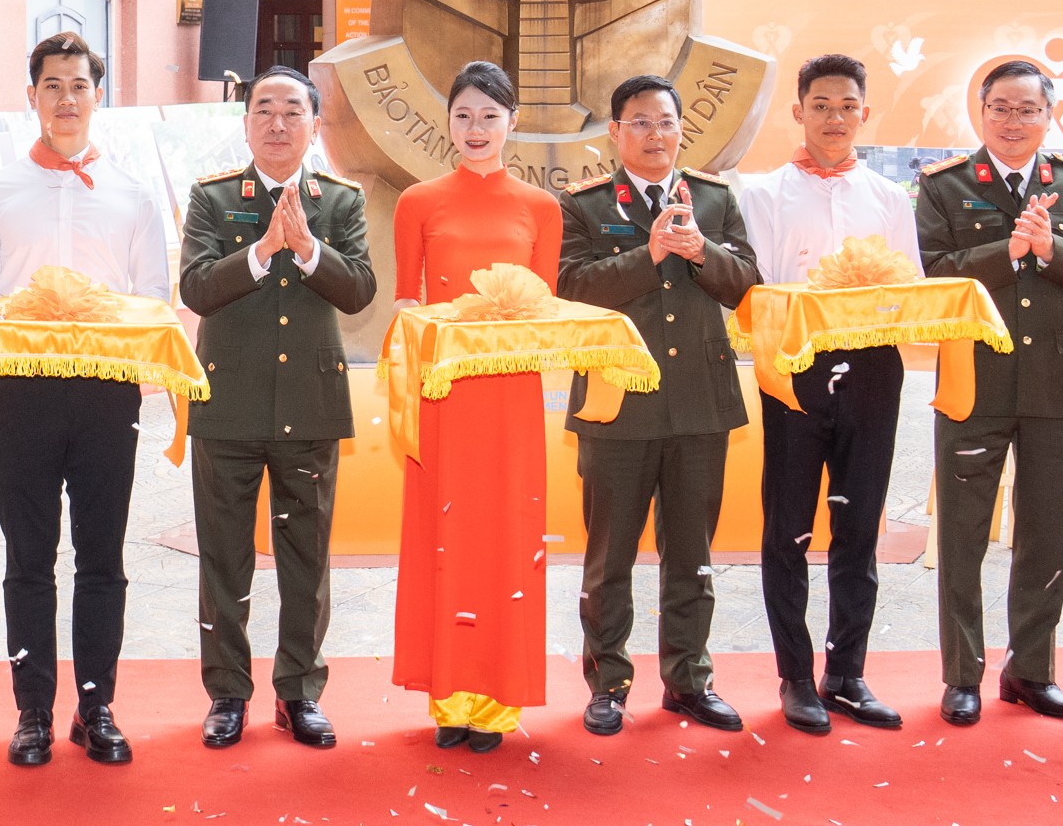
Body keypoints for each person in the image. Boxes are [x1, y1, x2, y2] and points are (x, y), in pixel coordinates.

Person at [0, 30, 174, 766]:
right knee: (28, 558)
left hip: (106, 395)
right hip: (21, 394)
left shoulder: (131, 194)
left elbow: (153, 298)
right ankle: (31, 713)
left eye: (78, 85)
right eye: (51, 86)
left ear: (98, 95)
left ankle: (96, 707)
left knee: (101, 557)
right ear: (31, 97)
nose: (65, 99)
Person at [914, 56, 1063, 727]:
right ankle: (961, 675)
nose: (1013, 121)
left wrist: (1051, 250)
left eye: (1028, 110)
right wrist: (1007, 252)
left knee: (1045, 534)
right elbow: (933, 274)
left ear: (1049, 116)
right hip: (974, 378)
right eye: (1000, 109)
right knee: (962, 534)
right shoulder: (945, 185)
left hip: (1056, 384)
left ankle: (1032, 671)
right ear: (980, 112)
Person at [176, 66, 376, 751]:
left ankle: (299, 693)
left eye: (293, 111)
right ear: (245, 125)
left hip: (309, 406)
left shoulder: (340, 202)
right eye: (264, 110)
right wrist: (262, 251)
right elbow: (197, 289)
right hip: (227, 404)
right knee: (223, 559)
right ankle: (227, 693)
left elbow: (359, 291)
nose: (278, 124)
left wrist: (308, 248)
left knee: (305, 560)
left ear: (315, 126)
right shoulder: (213, 199)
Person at [555, 73, 760, 738]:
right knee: (608, 560)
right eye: (639, 122)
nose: (654, 134)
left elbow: (748, 286)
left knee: (692, 556)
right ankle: (608, 685)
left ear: (680, 130)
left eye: (665, 122)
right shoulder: (584, 205)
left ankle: (689, 680)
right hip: (617, 406)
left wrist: (703, 252)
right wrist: (646, 256)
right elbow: (569, 289)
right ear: (615, 133)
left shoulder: (713, 199)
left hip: (699, 404)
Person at [736, 54, 914, 736]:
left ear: (864, 113)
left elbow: (909, 289)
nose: (834, 118)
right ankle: (793, 676)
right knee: (787, 528)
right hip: (794, 370)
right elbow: (750, 290)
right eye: (820, 105)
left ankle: (846, 674)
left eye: (846, 106)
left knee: (858, 527)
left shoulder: (891, 198)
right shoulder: (761, 195)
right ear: (798, 111)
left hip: (873, 370)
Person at [391, 62, 566, 751]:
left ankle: (496, 699)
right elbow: (405, 304)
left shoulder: (541, 208)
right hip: (443, 391)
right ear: (448, 121)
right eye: (463, 115)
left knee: (505, 534)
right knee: (446, 534)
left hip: (511, 393)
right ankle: (450, 696)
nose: (475, 129)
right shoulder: (418, 201)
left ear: (511, 122)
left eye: (489, 116)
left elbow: (545, 308)